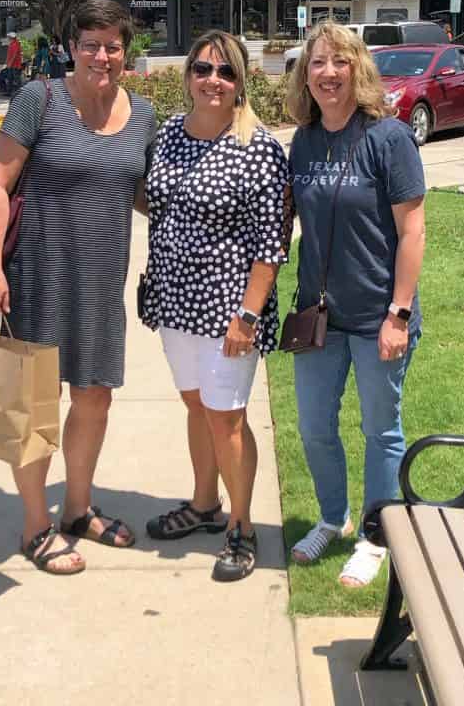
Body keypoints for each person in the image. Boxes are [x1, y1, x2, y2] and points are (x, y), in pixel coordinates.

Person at [0, 0, 157, 576]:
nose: (101, 55)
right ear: (71, 48)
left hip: (101, 284)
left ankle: (77, 508)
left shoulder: (144, 115)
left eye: (112, 45)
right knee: (34, 408)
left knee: (94, 398)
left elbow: (146, 197)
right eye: (90, 44)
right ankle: (35, 524)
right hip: (34, 279)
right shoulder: (40, 99)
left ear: (126, 53)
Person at [141, 32, 289, 582]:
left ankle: (242, 527)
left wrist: (247, 316)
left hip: (229, 312)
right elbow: (154, 200)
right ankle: (204, 506)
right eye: (202, 69)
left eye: (225, 73)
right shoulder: (170, 135)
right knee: (197, 408)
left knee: (226, 417)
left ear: (241, 82)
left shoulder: (258, 147)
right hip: (175, 302)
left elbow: (271, 245)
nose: (213, 81)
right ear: (187, 76)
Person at [284, 21, 426, 588]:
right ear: (305, 74)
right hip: (319, 316)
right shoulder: (305, 140)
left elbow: (412, 232)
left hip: (376, 317)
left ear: (358, 68)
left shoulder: (388, 139)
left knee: (379, 430)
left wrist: (400, 313)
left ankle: (375, 533)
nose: (327, 73)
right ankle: (332, 517)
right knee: (315, 426)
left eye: (339, 61)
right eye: (317, 62)